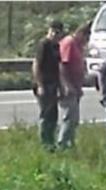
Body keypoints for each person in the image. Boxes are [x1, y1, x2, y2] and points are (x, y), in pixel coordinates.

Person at [57, 22, 91, 149]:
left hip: (76, 87)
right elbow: (62, 65)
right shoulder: (69, 43)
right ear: (81, 34)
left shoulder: (78, 46)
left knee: (74, 119)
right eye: (86, 38)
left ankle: (70, 142)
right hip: (68, 87)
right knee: (69, 117)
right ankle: (62, 144)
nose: (86, 42)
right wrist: (67, 85)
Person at [32, 20, 64, 148]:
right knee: (45, 113)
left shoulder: (56, 46)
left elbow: (59, 67)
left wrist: (61, 86)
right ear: (49, 31)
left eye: (58, 33)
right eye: (53, 32)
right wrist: (39, 84)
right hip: (44, 83)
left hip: (54, 83)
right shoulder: (43, 45)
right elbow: (36, 65)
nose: (55, 35)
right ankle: (45, 142)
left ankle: (51, 142)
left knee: (53, 114)